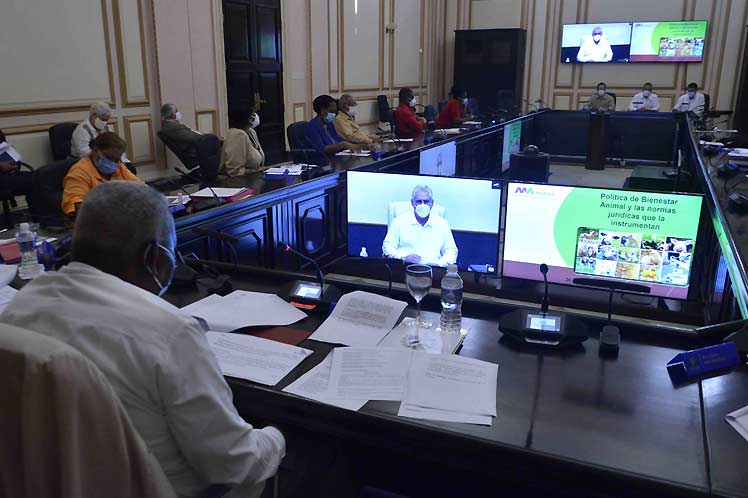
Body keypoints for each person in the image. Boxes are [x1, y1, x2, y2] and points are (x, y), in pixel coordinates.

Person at [0, 181, 286, 498]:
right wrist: (277, 437)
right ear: (156, 257)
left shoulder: (22, 305)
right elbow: (234, 464)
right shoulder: (171, 332)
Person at [62, 132, 142, 219]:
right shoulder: (79, 172)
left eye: (116, 160)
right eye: (109, 158)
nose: (113, 163)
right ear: (95, 150)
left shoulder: (119, 167)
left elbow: (142, 189)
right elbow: (79, 207)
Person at [382, 184, 457, 266]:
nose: (422, 205)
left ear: (432, 203)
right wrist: (403, 257)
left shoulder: (442, 224)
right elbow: (387, 246)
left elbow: (451, 251)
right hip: (406, 267)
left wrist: (439, 264)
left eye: (426, 201)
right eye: (418, 201)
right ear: (412, 203)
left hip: (433, 270)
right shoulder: (399, 221)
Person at [219, 109, 265, 176]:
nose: (256, 116)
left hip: (254, 178)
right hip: (238, 182)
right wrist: (255, 171)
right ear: (249, 118)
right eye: (253, 114)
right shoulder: (237, 135)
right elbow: (234, 171)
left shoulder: (251, 132)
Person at [0, 128, 36, 210]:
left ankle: (40, 220)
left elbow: (4, 147)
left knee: (38, 178)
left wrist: (14, 164)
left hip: (7, 175)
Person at [160, 103, 202, 168]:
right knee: (218, 143)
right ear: (173, 115)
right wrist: (207, 137)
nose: (178, 113)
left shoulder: (170, 125)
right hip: (195, 151)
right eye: (176, 111)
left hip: (195, 147)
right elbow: (192, 138)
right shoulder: (173, 127)